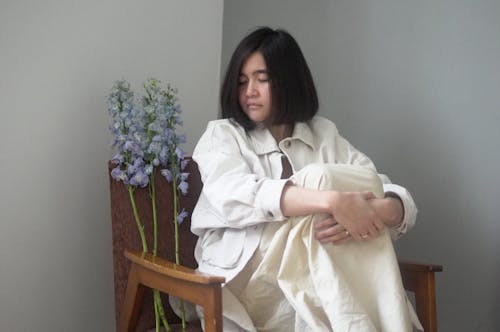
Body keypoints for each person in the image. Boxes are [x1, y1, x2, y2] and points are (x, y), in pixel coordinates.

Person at [190, 27, 420, 331]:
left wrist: (376, 210)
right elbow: (235, 196)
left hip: (310, 280)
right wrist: (332, 201)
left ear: (288, 80)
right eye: (242, 81)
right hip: (244, 280)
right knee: (321, 188)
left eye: (262, 79)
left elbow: (378, 185)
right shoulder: (222, 135)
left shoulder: (323, 133)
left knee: (348, 199)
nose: (249, 92)